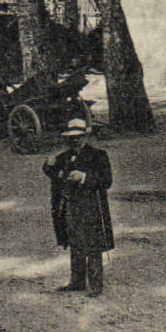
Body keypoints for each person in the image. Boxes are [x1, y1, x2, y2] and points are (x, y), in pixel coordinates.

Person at [43, 118, 114, 296]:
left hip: (90, 207)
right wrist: (48, 164)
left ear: (85, 136)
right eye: (71, 138)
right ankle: (77, 281)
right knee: (74, 242)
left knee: (93, 245)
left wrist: (84, 177)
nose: (74, 141)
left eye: (78, 137)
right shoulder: (64, 157)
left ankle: (95, 285)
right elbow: (52, 173)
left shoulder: (98, 155)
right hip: (69, 206)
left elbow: (106, 181)